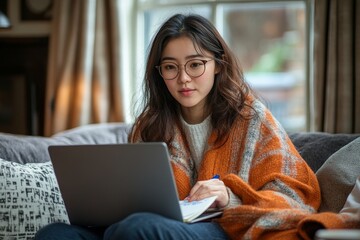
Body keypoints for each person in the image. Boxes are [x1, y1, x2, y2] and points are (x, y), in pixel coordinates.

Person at [35, 13, 321, 240]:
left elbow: (295, 197)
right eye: (170, 67)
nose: (183, 78)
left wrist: (229, 197)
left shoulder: (251, 118)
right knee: (55, 234)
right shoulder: (149, 125)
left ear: (218, 65)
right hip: (149, 225)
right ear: (160, 73)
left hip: (226, 227)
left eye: (195, 65)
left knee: (134, 229)